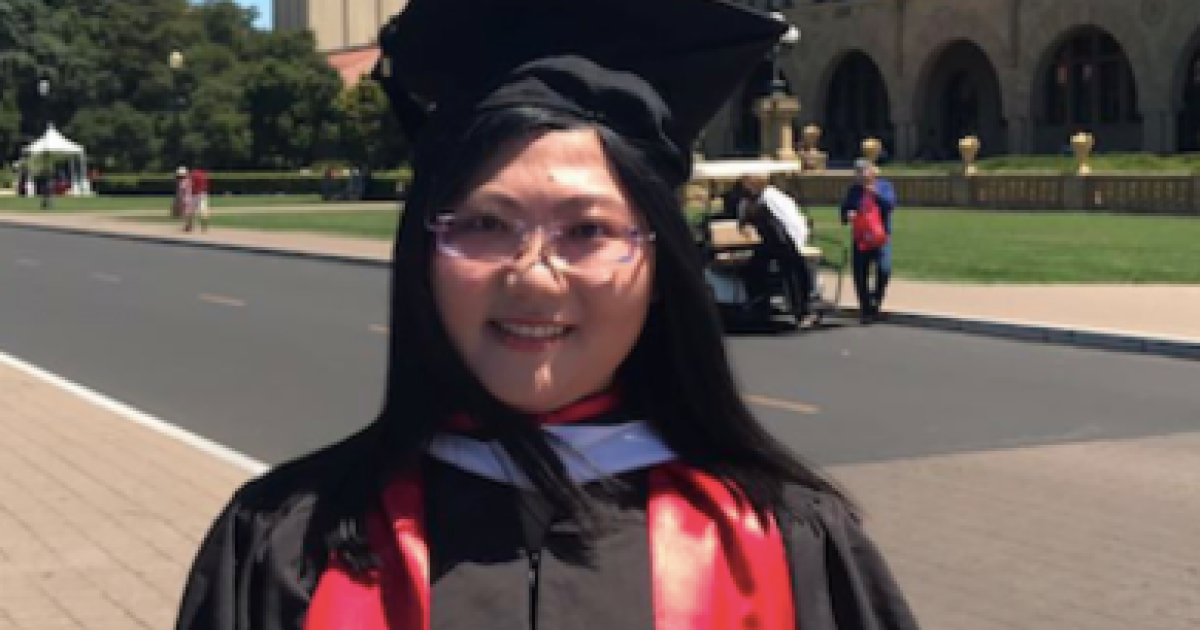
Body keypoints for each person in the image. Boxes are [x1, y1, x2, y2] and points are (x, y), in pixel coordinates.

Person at [175, 1, 920, 628]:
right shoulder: (288, 549)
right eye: (484, 224)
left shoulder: (787, 548)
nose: (533, 275)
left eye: (588, 229)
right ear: (424, 253)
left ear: (661, 267)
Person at [737, 173, 819, 320]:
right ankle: (763, 306)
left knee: (795, 274)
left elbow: (787, 219)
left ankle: (801, 310)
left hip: (782, 242)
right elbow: (746, 222)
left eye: (749, 183)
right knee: (758, 270)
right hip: (771, 243)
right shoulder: (753, 201)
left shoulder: (769, 198)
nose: (747, 187)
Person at [840, 159, 897, 324]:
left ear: (872, 171)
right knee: (860, 274)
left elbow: (890, 205)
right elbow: (844, 210)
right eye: (858, 172)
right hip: (861, 238)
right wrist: (848, 214)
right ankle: (865, 309)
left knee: (884, 269)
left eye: (864, 171)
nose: (861, 175)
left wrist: (874, 193)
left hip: (880, 237)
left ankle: (875, 300)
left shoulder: (884, 186)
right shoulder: (853, 191)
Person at [186, 166, 210, 232]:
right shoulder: (204, 174)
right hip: (203, 194)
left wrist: (189, 193)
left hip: (195, 194)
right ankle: (204, 227)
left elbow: (191, 185)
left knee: (191, 210)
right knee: (203, 210)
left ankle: (189, 226)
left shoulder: (192, 174)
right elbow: (206, 185)